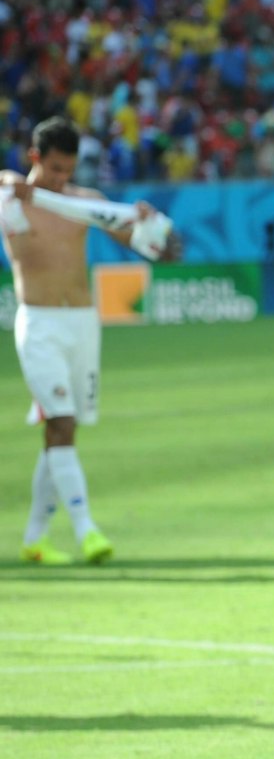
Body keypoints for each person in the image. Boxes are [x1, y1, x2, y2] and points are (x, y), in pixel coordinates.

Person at [1, 116, 157, 565]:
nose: (61, 178)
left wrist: (141, 221)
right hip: (40, 326)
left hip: (83, 325)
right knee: (62, 423)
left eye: (67, 170)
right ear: (34, 158)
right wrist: (11, 180)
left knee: (61, 431)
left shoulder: (84, 202)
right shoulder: (13, 199)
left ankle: (34, 538)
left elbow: (130, 236)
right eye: (53, 169)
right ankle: (87, 530)